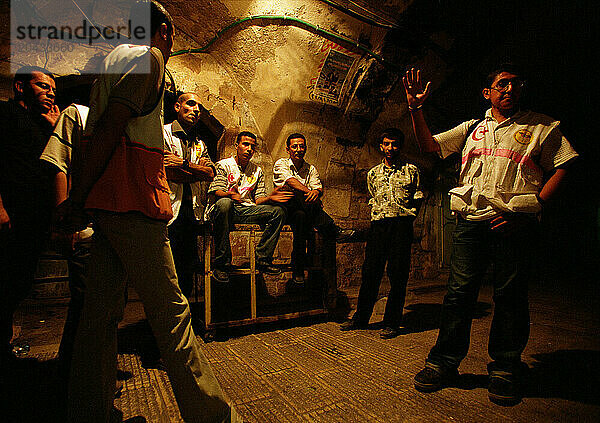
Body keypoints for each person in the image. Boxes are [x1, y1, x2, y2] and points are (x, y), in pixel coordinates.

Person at [55, 1, 240, 421]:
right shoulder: (150, 57)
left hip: (108, 204)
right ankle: (213, 416)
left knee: (98, 317)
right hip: (135, 202)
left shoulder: (110, 62)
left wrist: (85, 196)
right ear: (165, 32)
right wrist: (78, 195)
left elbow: (99, 131)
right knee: (173, 316)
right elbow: (111, 128)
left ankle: (89, 411)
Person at [404, 64, 578, 404]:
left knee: (510, 296)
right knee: (458, 294)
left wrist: (532, 211)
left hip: (513, 223)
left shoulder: (542, 126)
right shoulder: (472, 128)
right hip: (470, 220)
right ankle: (443, 362)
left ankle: (505, 367)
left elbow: (564, 164)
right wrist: (415, 108)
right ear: (488, 93)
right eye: (502, 84)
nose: (509, 89)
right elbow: (430, 147)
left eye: (515, 84)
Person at [0, 65, 60, 367]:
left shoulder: (43, 124)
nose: (50, 93)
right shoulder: (6, 115)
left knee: (19, 283)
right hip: (10, 212)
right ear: (21, 87)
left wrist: (54, 128)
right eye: (42, 86)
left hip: (34, 218)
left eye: (52, 88)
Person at [339, 128, 422, 339]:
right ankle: (361, 318)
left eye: (394, 144)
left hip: (401, 226)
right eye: (386, 144)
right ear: (381, 146)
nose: (390, 148)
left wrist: (407, 218)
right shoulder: (373, 174)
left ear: (400, 146)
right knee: (371, 272)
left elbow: (418, 197)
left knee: (398, 274)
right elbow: (373, 196)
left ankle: (392, 322)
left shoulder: (411, 170)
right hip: (379, 227)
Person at [40, 104, 93, 383]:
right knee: (85, 303)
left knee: (105, 307)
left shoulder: (131, 117)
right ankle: (74, 377)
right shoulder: (79, 114)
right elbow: (58, 164)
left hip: (112, 226)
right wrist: (65, 220)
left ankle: (90, 375)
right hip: (85, 225)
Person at [206, 131, 292, 283]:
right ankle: (222, 263)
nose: (249, 149)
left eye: (253, 146)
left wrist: (270, 198)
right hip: (225, 208)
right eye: (245, 144)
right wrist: (231, 195)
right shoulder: (224, 165)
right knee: (224, 204)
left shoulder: (256, 170)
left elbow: (258, 200)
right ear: (236, 145)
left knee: (278, 211)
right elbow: (216, 191)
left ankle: (263, 259)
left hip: (245, 209)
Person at [272, 133, 355, 285]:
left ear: (305, 148)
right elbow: (290, 182)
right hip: (285, 208)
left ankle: (298, 269)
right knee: (295, 194)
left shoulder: (311, 169)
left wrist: (315, 193)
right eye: (294, 146)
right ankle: (332, 229)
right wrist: (310, 194)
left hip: (303, 212)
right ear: (287, 149)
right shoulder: (281, 163)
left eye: (301, 146)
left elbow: (318, 188)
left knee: (301, 218)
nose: (298, 149)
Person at [165, 92, 215, 298]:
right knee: (168, 270)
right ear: (177, 106)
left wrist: (184, 164)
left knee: (187, 270)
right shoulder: (163, 133)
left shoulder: (199, 143)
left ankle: (186, 320)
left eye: (199, 107)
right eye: (191, 104)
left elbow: (211, 173)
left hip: (192, 212)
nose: (196, 110)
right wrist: (197, 172)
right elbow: (166, 171)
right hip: (168, 210)